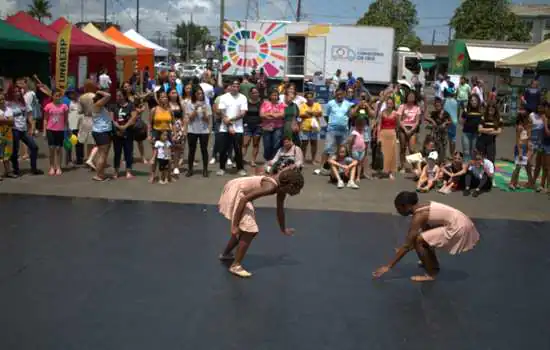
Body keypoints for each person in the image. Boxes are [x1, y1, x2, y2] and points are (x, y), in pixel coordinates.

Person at [373, 191, 480, 282]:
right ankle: (433, 265)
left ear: (407, 206)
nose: (398, 211)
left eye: (399, 208)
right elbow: (427, 233)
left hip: (459, 227)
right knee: (424, 238)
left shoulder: (419, 216)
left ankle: (431, 274)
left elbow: (408, 244)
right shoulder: (423, 208)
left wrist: (388, 266)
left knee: (418, 240)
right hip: (462, 222)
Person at [217, 168, 304, 278]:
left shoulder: (282, 188)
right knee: (250, 230)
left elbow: (280, 209)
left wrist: (283, 229)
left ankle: (226, 254)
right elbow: (243, 200)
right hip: (237, 192)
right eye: (297, 189)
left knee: (244, 228)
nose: (297, 192)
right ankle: (236, 266)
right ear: (290, 185)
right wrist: (234, 225)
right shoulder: (270, 186)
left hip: (239, 189)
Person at [43, 89, 69, 176]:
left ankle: (58, 167)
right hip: (50, 129)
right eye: (56, 95)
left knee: (59, 149)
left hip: (60, 130)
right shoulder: (48, 106)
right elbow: (45, 119)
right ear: (52, 96)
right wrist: (44, 131)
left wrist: (68, 129)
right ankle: (51, 166)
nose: (58, 97)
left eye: (59, 95)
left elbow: (66, 119)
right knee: (51, 149)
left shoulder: (64, 106)